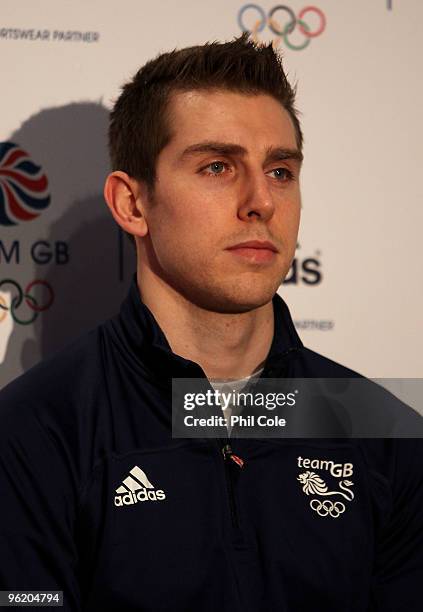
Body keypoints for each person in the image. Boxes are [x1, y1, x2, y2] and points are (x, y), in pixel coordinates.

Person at [0, 33, 421, 611]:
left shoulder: (387, 434)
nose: (261, 202)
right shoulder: (34, 431)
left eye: (280, 171)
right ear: (132, 204)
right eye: (218, 166)